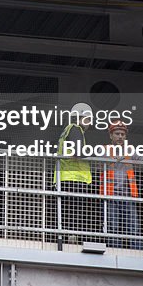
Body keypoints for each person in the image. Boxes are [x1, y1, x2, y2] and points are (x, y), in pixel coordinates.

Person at [102, 121, 143, 250]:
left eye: (122, 134)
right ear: (111, 136)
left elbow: (142, 158)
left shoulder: (130, 151)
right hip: (110, 196)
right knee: (113, 227)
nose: (120, 137)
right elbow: (101, 159)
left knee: (133, 226)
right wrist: (117, 158)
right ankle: (114, 251)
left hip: (128, 196)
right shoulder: (104, 149)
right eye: (117, 134)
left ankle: (137, 252)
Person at [58, 102, 95, 243]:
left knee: (67, 213)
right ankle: (72, 241)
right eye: (89, 119)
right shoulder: (75, 129)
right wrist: (97, 151)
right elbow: (79, 151)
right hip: (74, 178)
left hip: (66, 176)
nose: (89, 123)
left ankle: (66, 239)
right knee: (75, 213)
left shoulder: (67, 130)